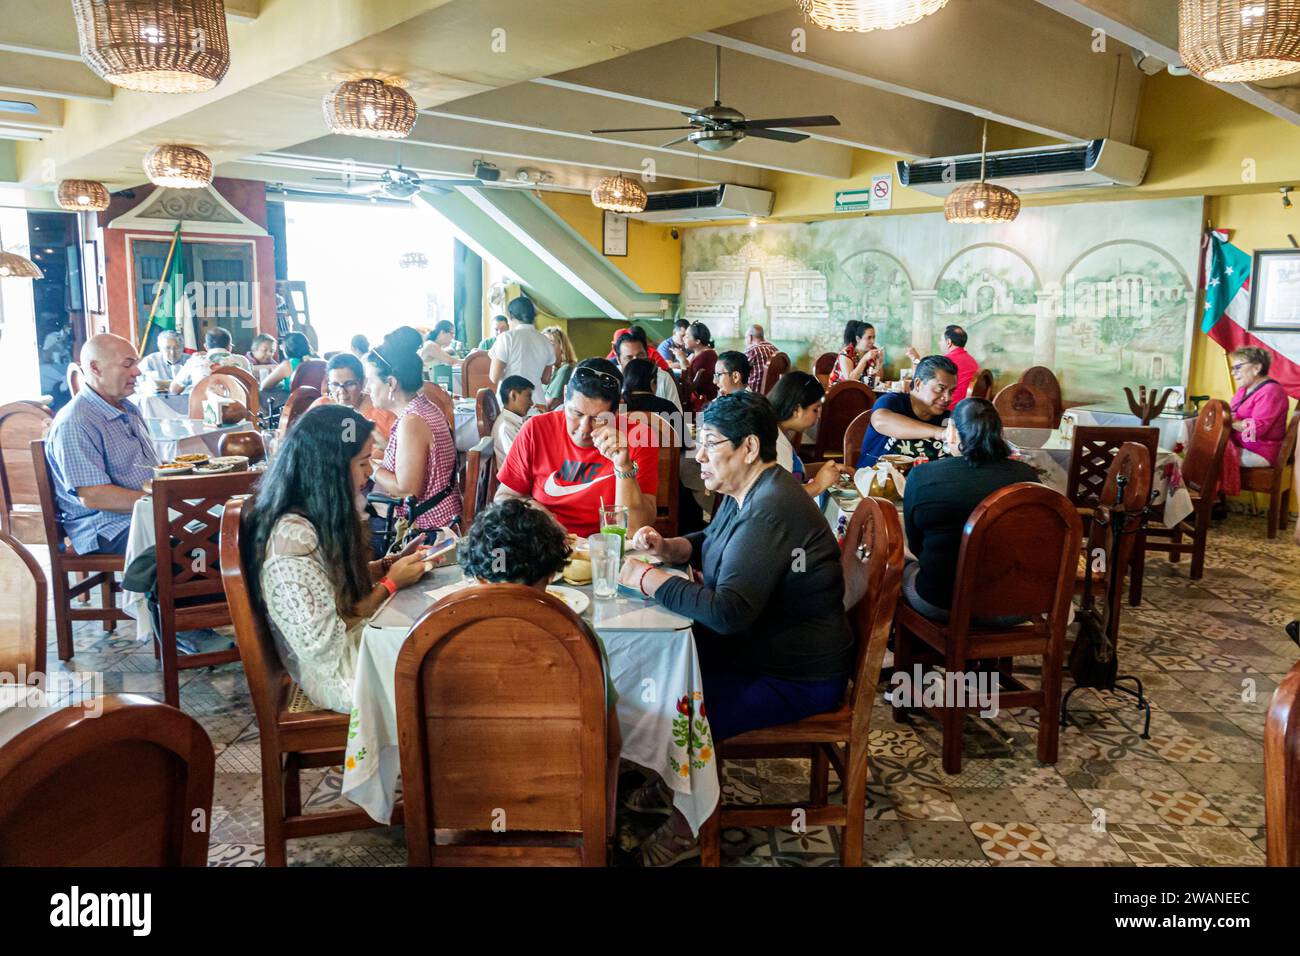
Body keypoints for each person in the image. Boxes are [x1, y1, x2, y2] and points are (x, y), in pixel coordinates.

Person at [619, 391, 853, 866]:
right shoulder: (747, 491)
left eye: (709, 444)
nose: (698, 455)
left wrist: (649, 578)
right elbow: (713, 540)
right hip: (760, 649)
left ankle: (688, 825)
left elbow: (729, 613)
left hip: (796, 675)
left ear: (748, 448)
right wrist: (671, 549)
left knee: (681, 709)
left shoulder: (772, 509)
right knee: (668, 675)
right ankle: (671, 780)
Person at [243, 405, 434, 713]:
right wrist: (391, 583)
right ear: (329, 468)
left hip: (357, 646)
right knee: (438, 663)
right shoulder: (291, 540)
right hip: (341, 674)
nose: (369, 472)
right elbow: (325, 647)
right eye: (361, 463)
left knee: (438, 641)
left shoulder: (313, 514)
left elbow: (331, 580)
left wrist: (389, 565)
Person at [460, 498, 622, 831]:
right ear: (550, 572)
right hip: (562, 806)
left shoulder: (441, 639)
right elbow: (611, 742)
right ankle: (600, 832)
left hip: (464, 800)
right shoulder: (582, 641)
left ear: (477, 575)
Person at [901, 398, 1040, 624]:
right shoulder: (1026, 477)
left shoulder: (923, 476)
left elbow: (917, 547)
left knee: (901, 567)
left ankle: (915, 653)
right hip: (1011, 607)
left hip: (941, 603)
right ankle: (994, 657)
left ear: (953, 432)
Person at [495, 358, 658, 536]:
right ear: (565, 395)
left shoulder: (639, 436)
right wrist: (537, 515)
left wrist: (623, 466)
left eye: (597, 418)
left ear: (616, 411)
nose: (584, 428)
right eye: (576, 413)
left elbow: (634, 528)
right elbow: (503, 498)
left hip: (608, 547)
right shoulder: (536, 429)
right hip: (545, 544)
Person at [45, 333, 158, 555]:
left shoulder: (129, 408)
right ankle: (165, 589)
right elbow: (93, 495)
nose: (137, 372)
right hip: (108, 527)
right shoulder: (76, 421)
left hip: (145, 512)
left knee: (223, 527)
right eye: (128, 365)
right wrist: (162, 500)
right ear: (95, 368)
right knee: (195, 545)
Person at [365, 331, 460, 542]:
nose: (367, 389)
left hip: (427, 532)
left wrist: (368, 465)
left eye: (371, 382)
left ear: (391, 383)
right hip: (442, 519)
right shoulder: (425, 408)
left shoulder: (412, 421)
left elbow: (407, 490)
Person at [857, 354, 958, 468]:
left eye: (951, 391)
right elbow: (880, 421)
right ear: (918, 384)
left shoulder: (947, 420)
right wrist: (939, 433)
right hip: (873, 481)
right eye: (940, 389)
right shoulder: (892, 402)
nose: (948, 398)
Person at [768, 371, 854, 496]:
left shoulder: (776, 431)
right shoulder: (774, 443)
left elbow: (794, 473)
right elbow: (782, 499)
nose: (819, 416)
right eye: (815, 409)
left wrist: (828, 468)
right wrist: (818, 485)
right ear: (797, 409)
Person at [310, 352, 398, 440]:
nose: (342, 391)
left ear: (363, 383)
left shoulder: (383, 415)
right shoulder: (321, 407)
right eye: (335, 384)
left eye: (349, 384)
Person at [1228, 346, 1289, 468]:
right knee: (1201, 447)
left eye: (1238, 367)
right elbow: (1231, 412)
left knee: (1209, 454)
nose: (1233, 373)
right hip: (1241, 444)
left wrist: (1226, 421)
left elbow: (1255, 429)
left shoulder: (1271, 391)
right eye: (1232, 368)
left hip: (1260, 451)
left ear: (1257, 368)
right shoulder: (1243, 389)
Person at [489, 295, 554, 389]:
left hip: (511, 398)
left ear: (511, 316)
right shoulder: (546, 341)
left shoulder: (506, 338)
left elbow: (494, 377)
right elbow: (546, 380)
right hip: (537, 399)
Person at [614, 330, 682, 413]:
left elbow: (677, 419)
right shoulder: (612, 381)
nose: (636, 362)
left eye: (640, 355)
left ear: (647, 354)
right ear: (618, 360)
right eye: (629, 358)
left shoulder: (662, 378)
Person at [906, 325, 978, 404]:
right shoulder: (973, 362)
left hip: (946, 407)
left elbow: (917, 384)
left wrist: (915, 359)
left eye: (941, 340)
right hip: (966, 408)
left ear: (948, 342)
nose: (939, 343)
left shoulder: (946, 363)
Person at [169, 327, 252, 394]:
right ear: (229, 347)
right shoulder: (243, 361)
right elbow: (251, 387)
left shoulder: (195, 361)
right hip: (237, 411)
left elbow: (174, 390)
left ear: (206, 346)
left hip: (203, 412)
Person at [674, 321, 717, 413]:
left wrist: (682, 360)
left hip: (704, 406)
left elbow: (690, 385)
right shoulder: (697, 354)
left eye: (687, 336)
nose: (684, 338)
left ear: (697, 341)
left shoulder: (706, 357)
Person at [493, 374, 535, 463]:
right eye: (528, 396)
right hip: (518, 475)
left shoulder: (517, 420)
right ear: (513, 395)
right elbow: (523, 461)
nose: (531, 403)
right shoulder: (507, 427)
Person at [830, 320, 884, 387]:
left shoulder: (872, 351)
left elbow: (879, 379)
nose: (872, 341)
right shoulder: (846, 353)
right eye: (869, 338)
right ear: (858, 339)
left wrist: (879, 362)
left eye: (873, 337)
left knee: (895, 396)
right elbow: (850, 380)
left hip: (865, 391)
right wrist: (864, 359)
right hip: (841, 392)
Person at [541, 325, 577, 410]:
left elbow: (548, 406)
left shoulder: (566, 369)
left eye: (551, 344)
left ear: (562, 347)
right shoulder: (548, 370)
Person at [743, 324, 779, 393]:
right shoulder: (775, 350)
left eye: (746, 338)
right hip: (773, 396)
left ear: (750, 337)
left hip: (754, 396)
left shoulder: (752, 351)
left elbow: (739, 371)